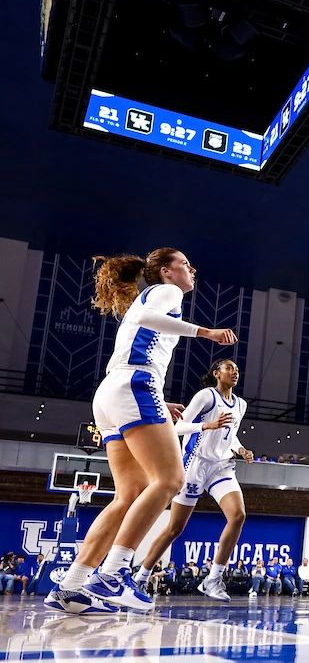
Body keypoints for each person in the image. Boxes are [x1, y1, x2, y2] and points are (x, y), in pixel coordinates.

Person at [45, 248, 237, 615]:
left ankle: (71, 586)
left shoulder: (152, 294)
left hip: (113, 391)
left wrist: (160, 402)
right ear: (166, 271)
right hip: (135, 383)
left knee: (129, 494)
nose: (191, 268)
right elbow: (149, 320)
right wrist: (206, 332)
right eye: (184, 263)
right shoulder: (168, 292)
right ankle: (113, 573)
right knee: (169, 480)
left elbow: (135, 341)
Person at [134, 358, 253, 602]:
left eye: (237, 369)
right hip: (194, 464)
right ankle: (141, 578)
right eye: (229, 368)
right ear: (216, 373)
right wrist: (207, 426)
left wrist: (241, 450)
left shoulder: (240, 404)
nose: (235, 372)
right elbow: (176, 427)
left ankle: (213, 579)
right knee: (175, 528)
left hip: (221, 466)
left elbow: (230, 436)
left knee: (238, 515)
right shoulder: (206, 396)